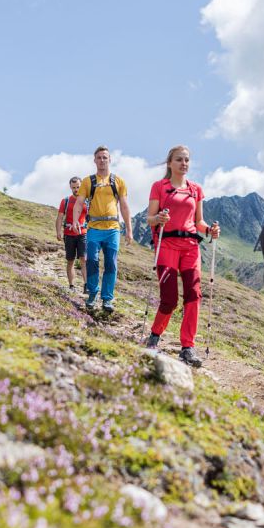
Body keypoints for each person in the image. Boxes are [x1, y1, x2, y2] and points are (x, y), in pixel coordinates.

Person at [145, 145, 220, 367]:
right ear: (170, 163)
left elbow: (199, 222)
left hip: (190, 247)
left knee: (193, 295)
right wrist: (158, 218)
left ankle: (187, 347)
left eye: (186, 160)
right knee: (169, 299)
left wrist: (210, 231)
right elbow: (150, 218)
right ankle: (155, 335)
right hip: (167, 245)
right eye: (179, 160)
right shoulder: (159, 186)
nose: (184, 164)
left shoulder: (196, 189)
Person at [72, 146, 133, 312]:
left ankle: (107, 299)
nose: (102, 160)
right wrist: (76, 220)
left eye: (105, 157)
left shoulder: (118, 182)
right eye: (99, 157)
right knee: (91, 260)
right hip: (93, 228)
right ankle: (92, 294)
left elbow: (125, 206)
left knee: (111, 264)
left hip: (113, 228)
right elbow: (79, 203)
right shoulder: (88, 181)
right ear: (95, 160)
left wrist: (129, 229)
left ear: (110, 159)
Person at [56, 176, 87, 292]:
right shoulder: (65, 201)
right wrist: (58, 231)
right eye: (73, 187)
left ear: (82, 185)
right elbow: (59, 217)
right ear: (70, 187)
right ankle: (71, 285)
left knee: (84, 259)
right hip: (68, 234)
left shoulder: (87, 201)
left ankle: (86, 285)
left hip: (83, 233)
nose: (76, 189)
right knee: (70, 260)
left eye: (78, 187)